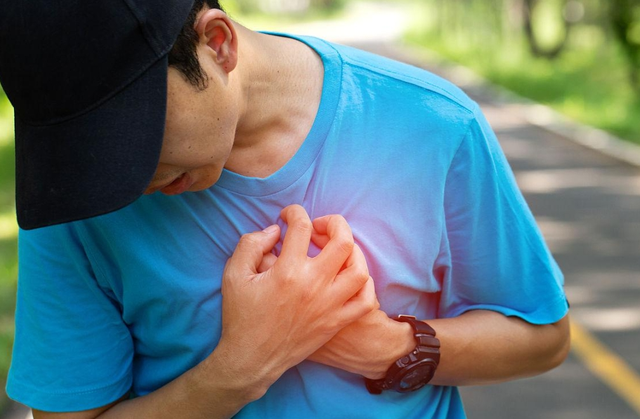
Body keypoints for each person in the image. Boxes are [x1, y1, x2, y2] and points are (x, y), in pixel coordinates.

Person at [0, 0, 571, 418]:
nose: (120, 178)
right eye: (84, 146)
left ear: (218, 44)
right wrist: (238, 370)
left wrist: (388, 348)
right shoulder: (75, 199)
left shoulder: (433, 124)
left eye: (132, 133)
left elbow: (542, 337)